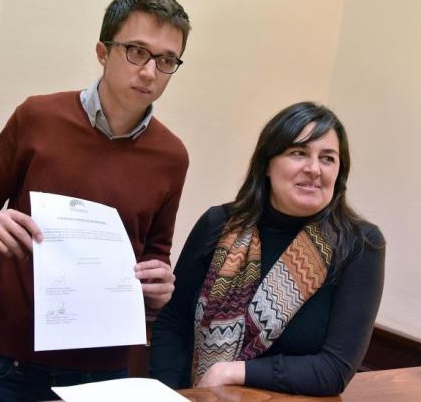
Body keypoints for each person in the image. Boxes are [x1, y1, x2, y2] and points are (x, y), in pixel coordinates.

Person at [0, 0, 191, 401]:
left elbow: (154, 253)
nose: (149, 71)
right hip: (9, 363)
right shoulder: (37, 117)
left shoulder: (171, 156)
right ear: (103, 51)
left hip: (105, 372)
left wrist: (159, 285)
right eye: (136, 51)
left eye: (166, 60)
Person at [150, 101, 385, 396]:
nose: (314, 169)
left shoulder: (359, 244)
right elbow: (174, 322)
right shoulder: (218, 224)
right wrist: (170, 395)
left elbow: (334, 369)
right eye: (298, 153)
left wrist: (233, 371)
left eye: (327, 158)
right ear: (267, 165)